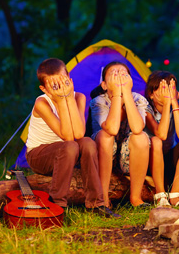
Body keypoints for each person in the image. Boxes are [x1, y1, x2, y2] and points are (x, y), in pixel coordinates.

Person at [25, 58, 119, 217]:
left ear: (70, 79)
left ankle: (96, 203)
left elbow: (79, 134)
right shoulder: (42, 103)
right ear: (43, 88)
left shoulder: (79, 98)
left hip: (67, 152)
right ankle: (57, 204)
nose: (60, 88)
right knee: (71, 146)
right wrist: (62, 101)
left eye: (62, 82)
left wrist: (69, 98)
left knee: (88, 143)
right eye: (54, 85)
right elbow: (68, 137)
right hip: (39, 155)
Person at [90, 61, 150, 208]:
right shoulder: (98, 101)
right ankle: (103, 198)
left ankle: (136, 198)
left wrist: (127, 94)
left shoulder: (138, 99)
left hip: (128, 157)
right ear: (104, 85)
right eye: (114, 75)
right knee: (105, 136)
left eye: (123, 74)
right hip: (103, 155)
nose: (119, 78)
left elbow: (137, 128)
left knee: (141, 137)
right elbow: (112, 129)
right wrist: (117, 95)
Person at [144, 71, 179, 208]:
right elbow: (161, 135)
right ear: (151, 94)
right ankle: (160, 195)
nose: (166, 92)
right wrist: (167, 104)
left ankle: (174, 194)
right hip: (150, 159)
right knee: (156, 141)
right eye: (161, 89)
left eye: (169, 88)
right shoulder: (146, 108)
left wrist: (173, 103)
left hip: (169, 158)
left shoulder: (177, 105)